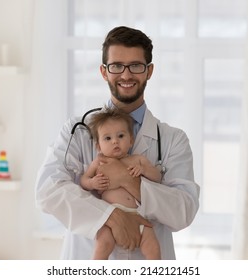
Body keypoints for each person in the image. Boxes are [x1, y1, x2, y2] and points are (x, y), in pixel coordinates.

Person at [35, 26, 200, 260]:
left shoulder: (173, 139)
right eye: (116, 66)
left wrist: (128, 179)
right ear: (104, 72)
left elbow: (184, 211)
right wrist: (111, 216)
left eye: (135, 65)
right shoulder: (78, 130)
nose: (126, 75)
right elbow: (48, 191)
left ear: (149, 71)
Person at [80, 107, 161, 259]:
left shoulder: (136, 160)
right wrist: (92, 183)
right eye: (108, 138)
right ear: (98, 146)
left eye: (121, 136)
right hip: (109, 216)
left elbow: (157, 177)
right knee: (103, 245)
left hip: (137, 214)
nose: (115, 141)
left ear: (131, 140)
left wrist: (143, 169)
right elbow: (83, 180)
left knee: (153, 247)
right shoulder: (99, 162)